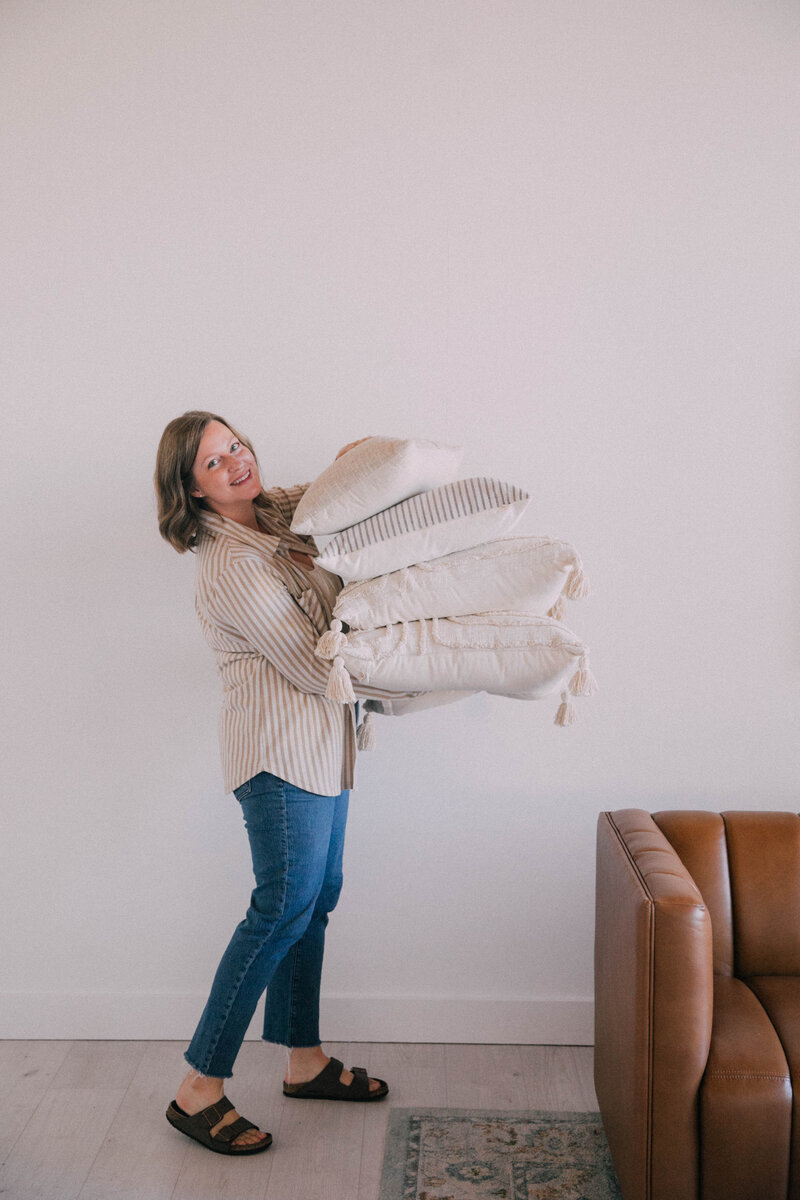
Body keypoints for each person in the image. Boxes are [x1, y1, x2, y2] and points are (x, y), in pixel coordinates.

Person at [154, 412, 398, 1156]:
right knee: (280, 909)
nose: (234, 463)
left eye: (235, 446)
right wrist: (400, 663)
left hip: (325, 748)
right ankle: (198, 1086)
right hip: (278, 754)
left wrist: (358, 459)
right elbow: (305, 661)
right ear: (191, 492)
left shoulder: (274, 516)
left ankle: (303, 1057)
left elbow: (322, 492)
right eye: (211, 462)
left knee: (315, 901)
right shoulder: (231, 564)